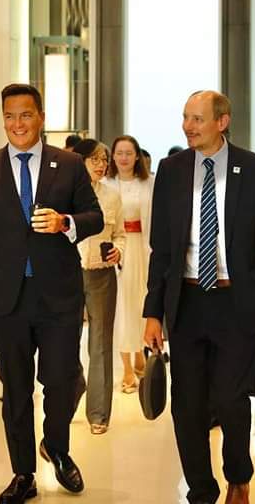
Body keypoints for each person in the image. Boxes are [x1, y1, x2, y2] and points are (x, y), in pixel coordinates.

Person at [0, 84, 103, 504]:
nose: (17, 124)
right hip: (6, 298)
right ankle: (23, 473)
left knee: (62, 380)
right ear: (3, 119)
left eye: (26, 115)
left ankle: (56, 446)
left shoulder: (68, 165)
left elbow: (94, 217)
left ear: (41, 117)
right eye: (10, 116)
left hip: (58, 295)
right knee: (16, 389)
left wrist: (65, 222)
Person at [143, 91, 255, 504]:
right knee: (187, 405)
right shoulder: (172, 169)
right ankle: (200, 490)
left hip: (236, 302)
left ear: (221, 121)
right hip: (186, 302)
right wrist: (152, 312)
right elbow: (162, 249)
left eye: (197, 119)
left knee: (230, 398)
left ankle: (238, 477)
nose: (188, 127)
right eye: (185, 118)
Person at [72, 139, 124, 434]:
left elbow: (120, 235)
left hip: (102, 275)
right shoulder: (65, 193)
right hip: (68, 274)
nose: (102, 165)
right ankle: (71, 393)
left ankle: (99, 414)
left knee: (101, 343)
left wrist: (119, 251)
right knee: (66, 341)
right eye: (95, 159)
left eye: (105, 159)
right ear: (80, 162)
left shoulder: (112, 196)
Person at [107, 134, 153, 394]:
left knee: (141, 303)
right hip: (117, 250)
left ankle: (140, 353)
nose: (124, 158)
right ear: (113, 157)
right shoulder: (105, 184)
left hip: (143, 249)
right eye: (119, 153)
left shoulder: (149, 183)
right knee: (121, 306)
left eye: (129, 153)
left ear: (137, 156)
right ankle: (126, 367)